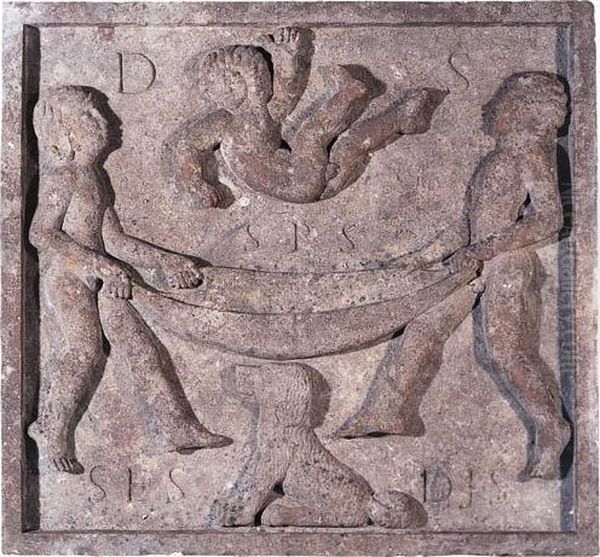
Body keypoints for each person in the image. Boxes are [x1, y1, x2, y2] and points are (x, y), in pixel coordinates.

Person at [339, 72, 571, 481]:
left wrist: (485, 249)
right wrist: (420, 258)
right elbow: (468, 225)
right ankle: (389, 411)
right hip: (472, 264)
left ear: (525, 110)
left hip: (505, 266)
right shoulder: (498, 158)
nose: (492, 108)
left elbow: (549, 218)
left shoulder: (532, 151)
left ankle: (551, 428)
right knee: (424, 326)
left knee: (506, 353)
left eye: (502, 101)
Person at [29, 86, 229, 474]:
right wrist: (99, 266)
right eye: (89, 115)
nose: (103, 122)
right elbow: (42, 233)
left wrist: (167, 261)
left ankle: (177, 427)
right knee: (85, 352)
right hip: (70, 278)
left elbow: (116, 241)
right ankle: (52, 428)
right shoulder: (63, 177)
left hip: (103, 277)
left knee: (140, 346)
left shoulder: (94, 178)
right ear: (66, 133)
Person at [162, 27, 447, 206]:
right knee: (324, 137)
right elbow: (187, 145)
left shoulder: (246, 117)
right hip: (298, 180)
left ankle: (396, 114)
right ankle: (372, 102)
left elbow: (287, 95)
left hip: (298, 180)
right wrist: (194, 182)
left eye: (220, 83)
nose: (213, 90)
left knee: (341, 141)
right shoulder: (243, 117)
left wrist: (289, 59)